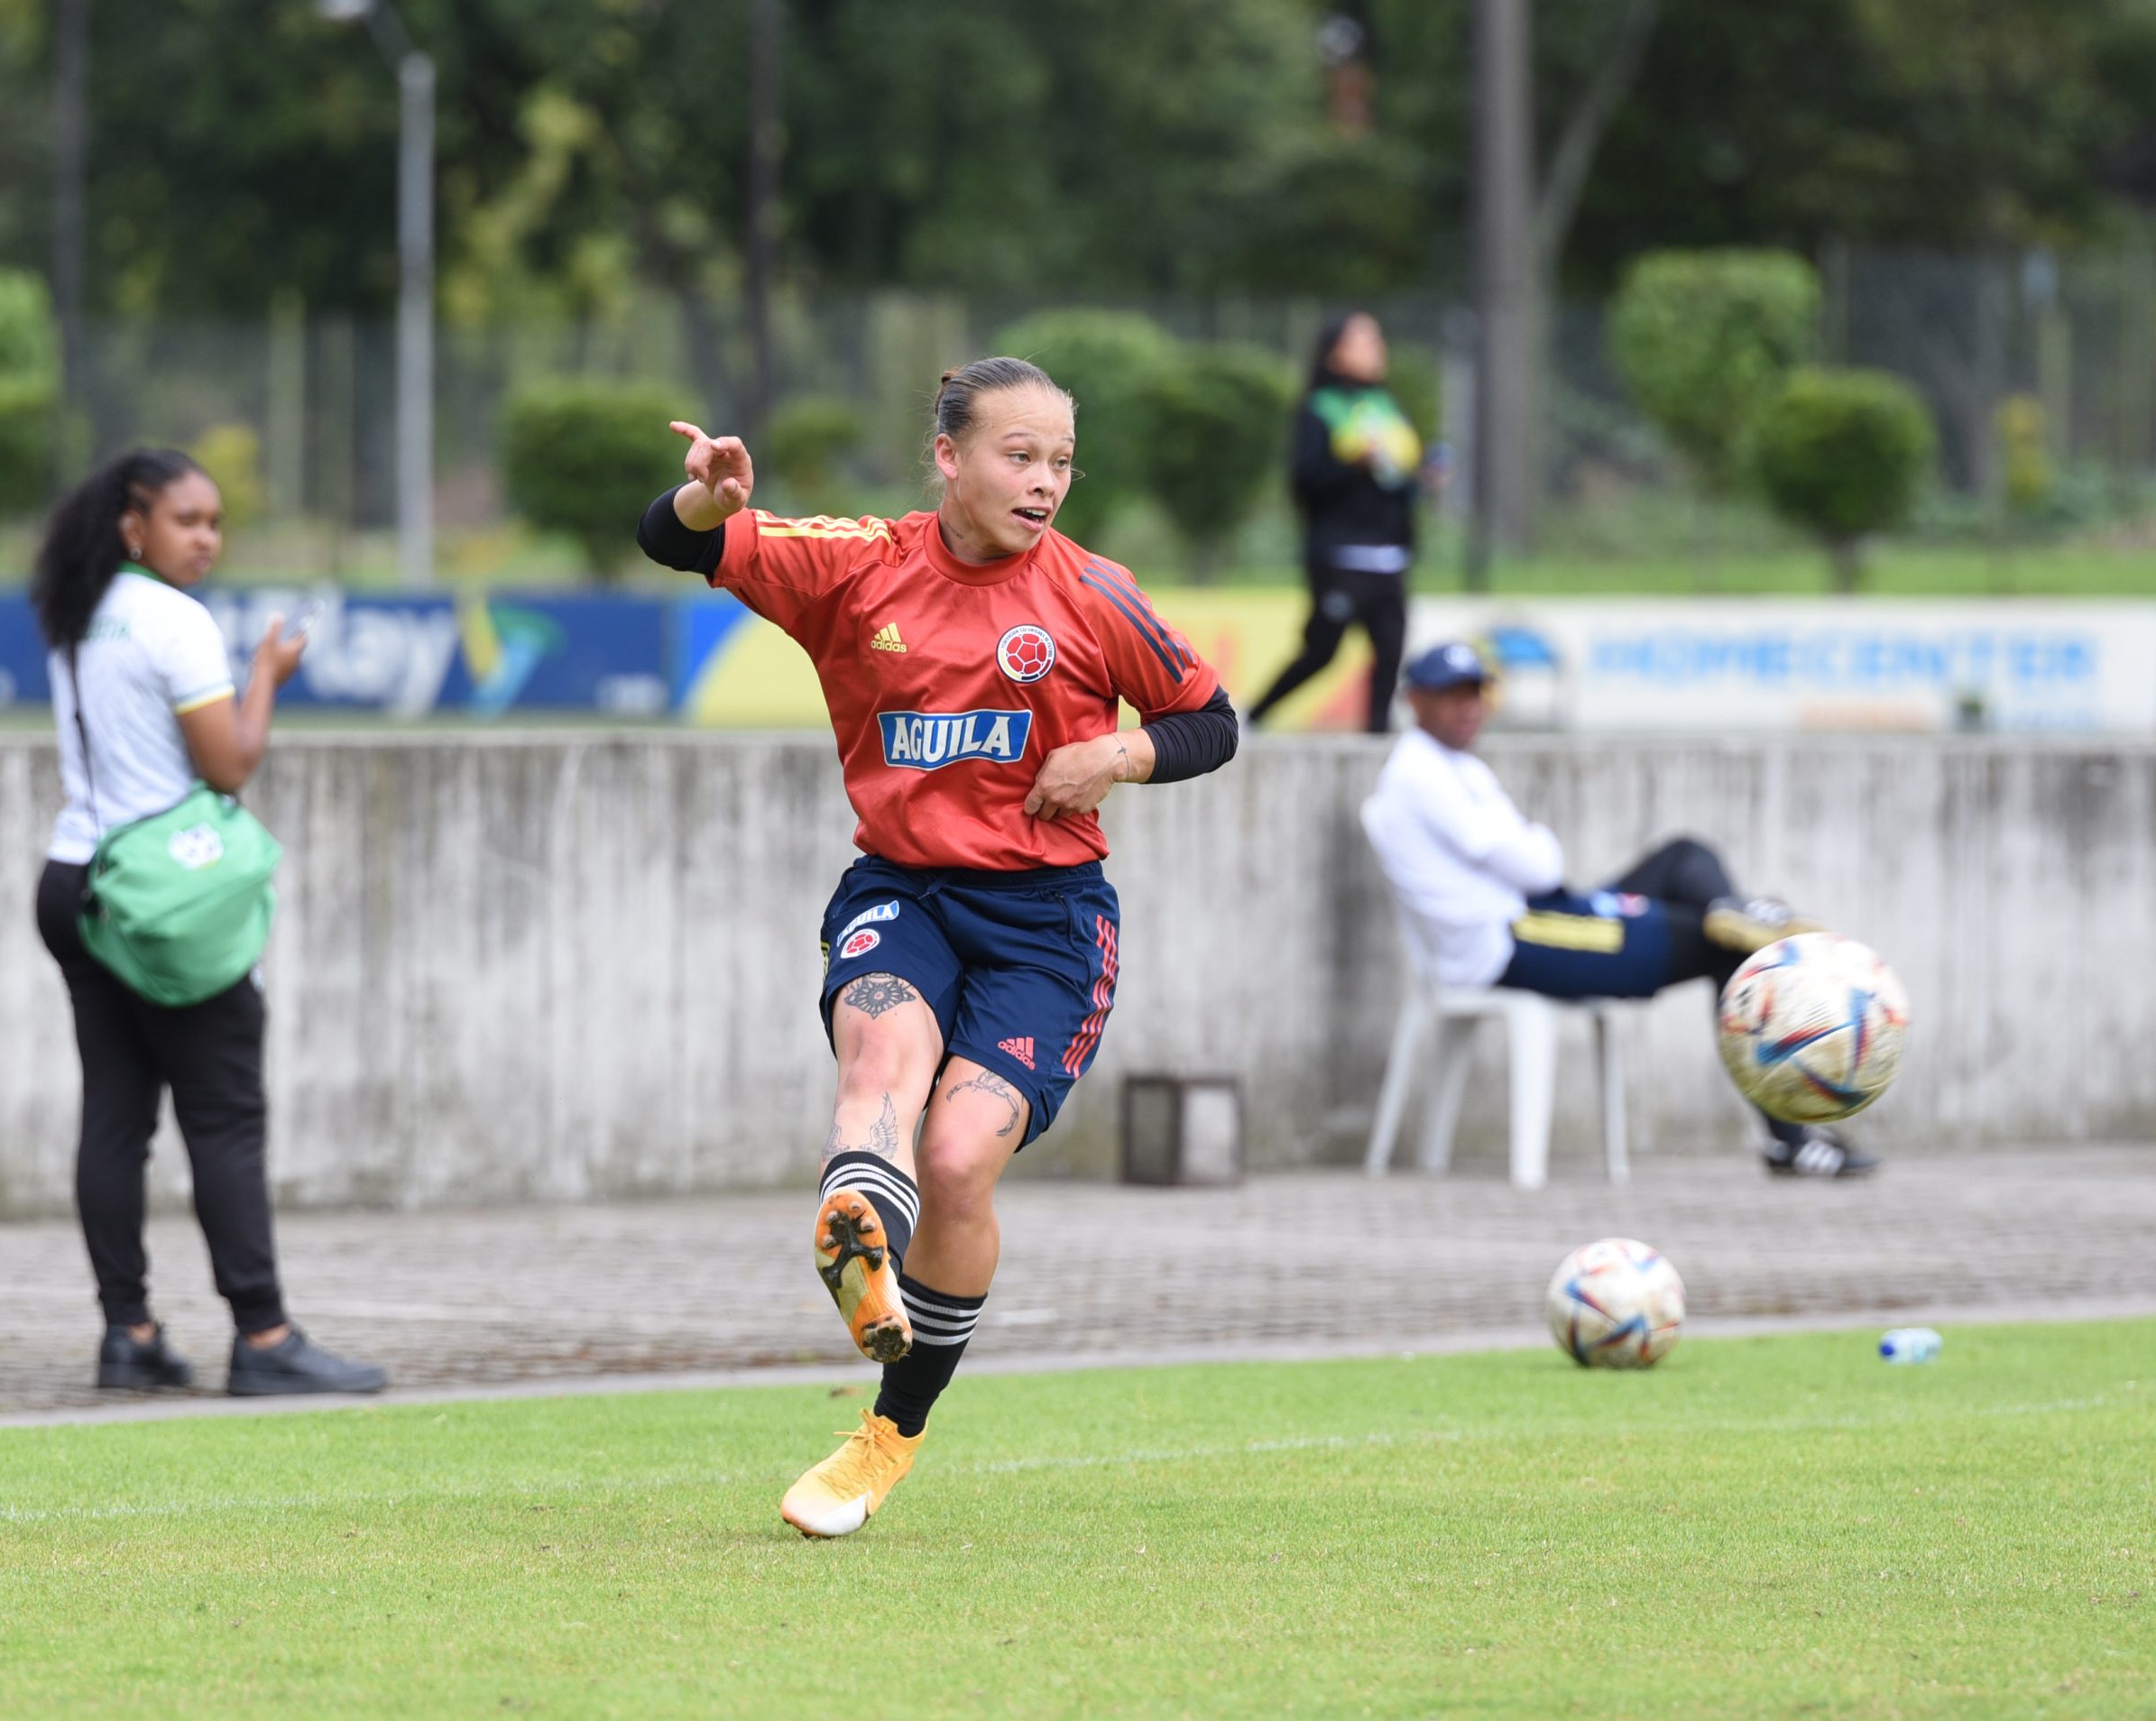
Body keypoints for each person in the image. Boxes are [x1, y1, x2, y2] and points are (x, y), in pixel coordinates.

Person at [636, 357, 1238, 1538]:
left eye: (1062, 460)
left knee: (960, 1157)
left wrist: (1116, 757)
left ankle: (888, 1430)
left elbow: (1210, 720)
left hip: (1048, 923)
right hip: (903, 888)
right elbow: (676, 540)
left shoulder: (1094, 593)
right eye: (1021, 455)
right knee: (883, 1064)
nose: (1047, 481)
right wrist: (710, 497)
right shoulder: (862, 565)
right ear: (949, 457)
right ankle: (861, 1237)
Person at [31, 447, 388, 1394]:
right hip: (167, 899)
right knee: (224, 1115)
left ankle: (128, 1332)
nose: (207, 539)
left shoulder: (78, 610)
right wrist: (268, 671)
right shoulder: (174, 620)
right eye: (187, 520)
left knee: (114, 1117)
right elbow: (229, 765)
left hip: (78, 879)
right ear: (132, 524)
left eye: (216, 522)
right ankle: (264, 1338)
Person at [1361, 640, 1877, 1178]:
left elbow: (1534, 862)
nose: (1468, 706)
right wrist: (1538, 847)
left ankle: (1734, 909)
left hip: (1540, 917)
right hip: (1514, 941)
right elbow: (1538, 865)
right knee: (1729, 948)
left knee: (1686, 856)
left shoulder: (1449, 767)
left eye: (1475, 692)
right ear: (1414, 700)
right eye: (1450, 695)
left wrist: (1536, 850)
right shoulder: (1422, 775)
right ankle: (1788, 1138)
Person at [1245, 310, 1429, 735]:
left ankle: (1377, 741)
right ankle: (1251, 719)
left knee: (1389, 654)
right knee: (1322, 650)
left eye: (1377, 338)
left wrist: (1423, 480)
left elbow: (1397, 479)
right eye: (1364, 340)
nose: (1377, 348)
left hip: (1389, 554)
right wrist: (1352, 465)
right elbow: (1305, 481)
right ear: (1334, 353)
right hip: (1340, 554)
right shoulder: (1319, 408)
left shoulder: (1387, 407)